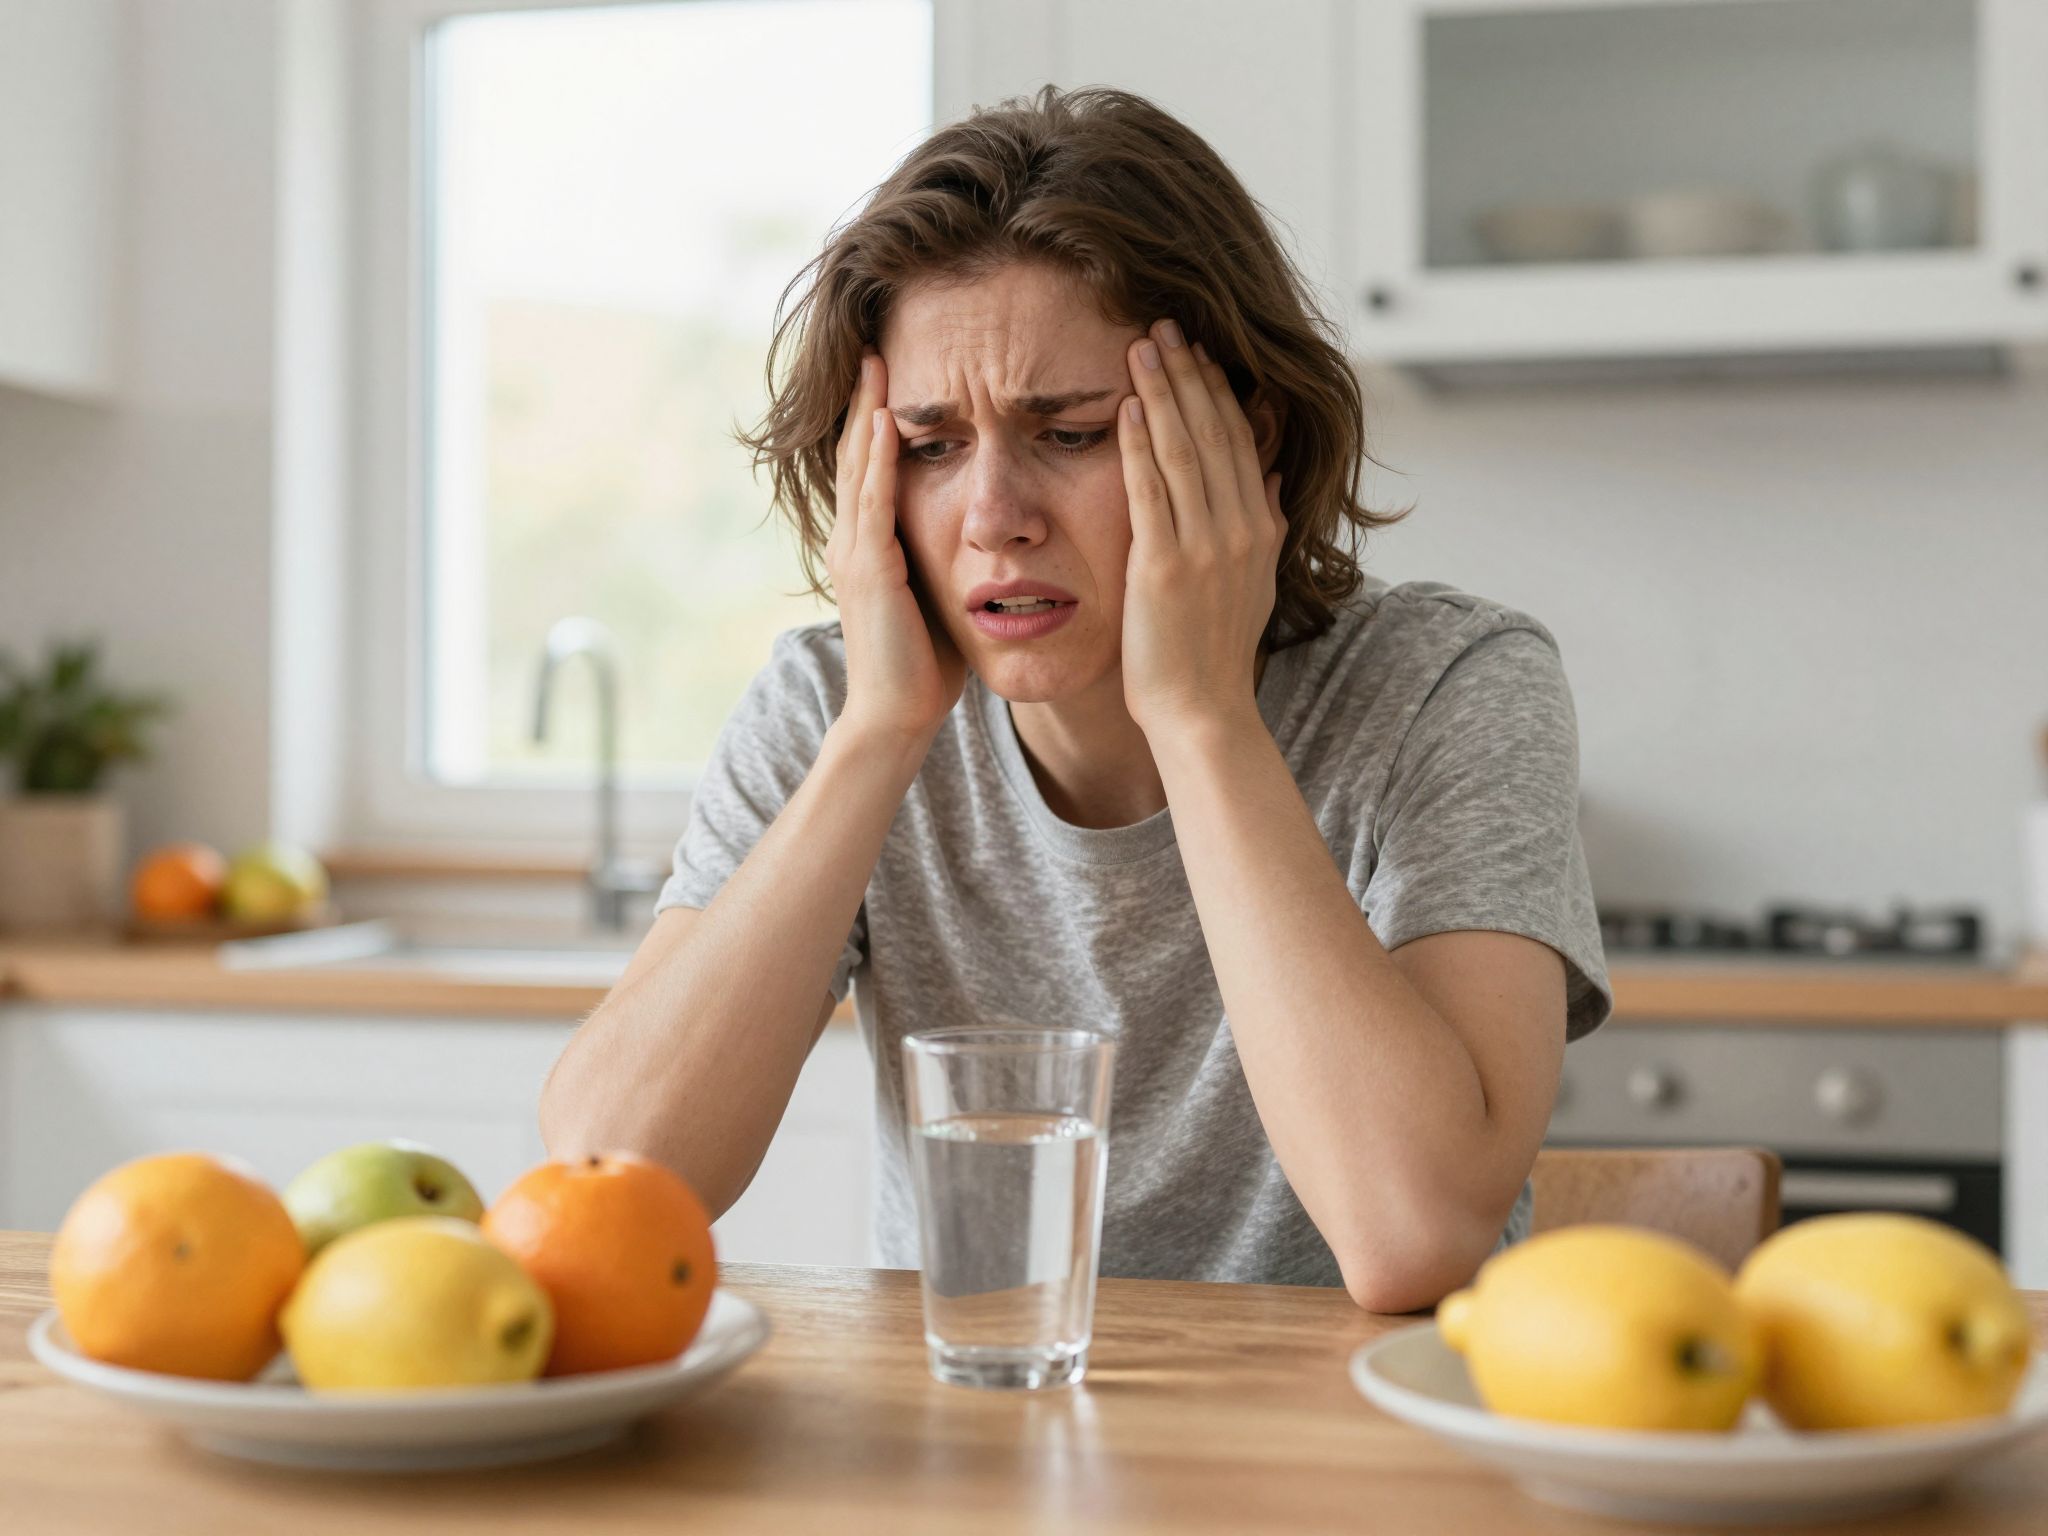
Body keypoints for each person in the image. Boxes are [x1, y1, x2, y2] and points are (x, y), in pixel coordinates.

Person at [539, 84, 1611, 1312]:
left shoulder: (1447, 688)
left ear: (1241, 441)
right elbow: (606, 1169)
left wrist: (1201, 718)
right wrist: (877, 737)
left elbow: (1414, 1237)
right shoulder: (835, 708)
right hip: (977, 1450)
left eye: (1070, 433)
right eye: (932, 447)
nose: (993, 517)